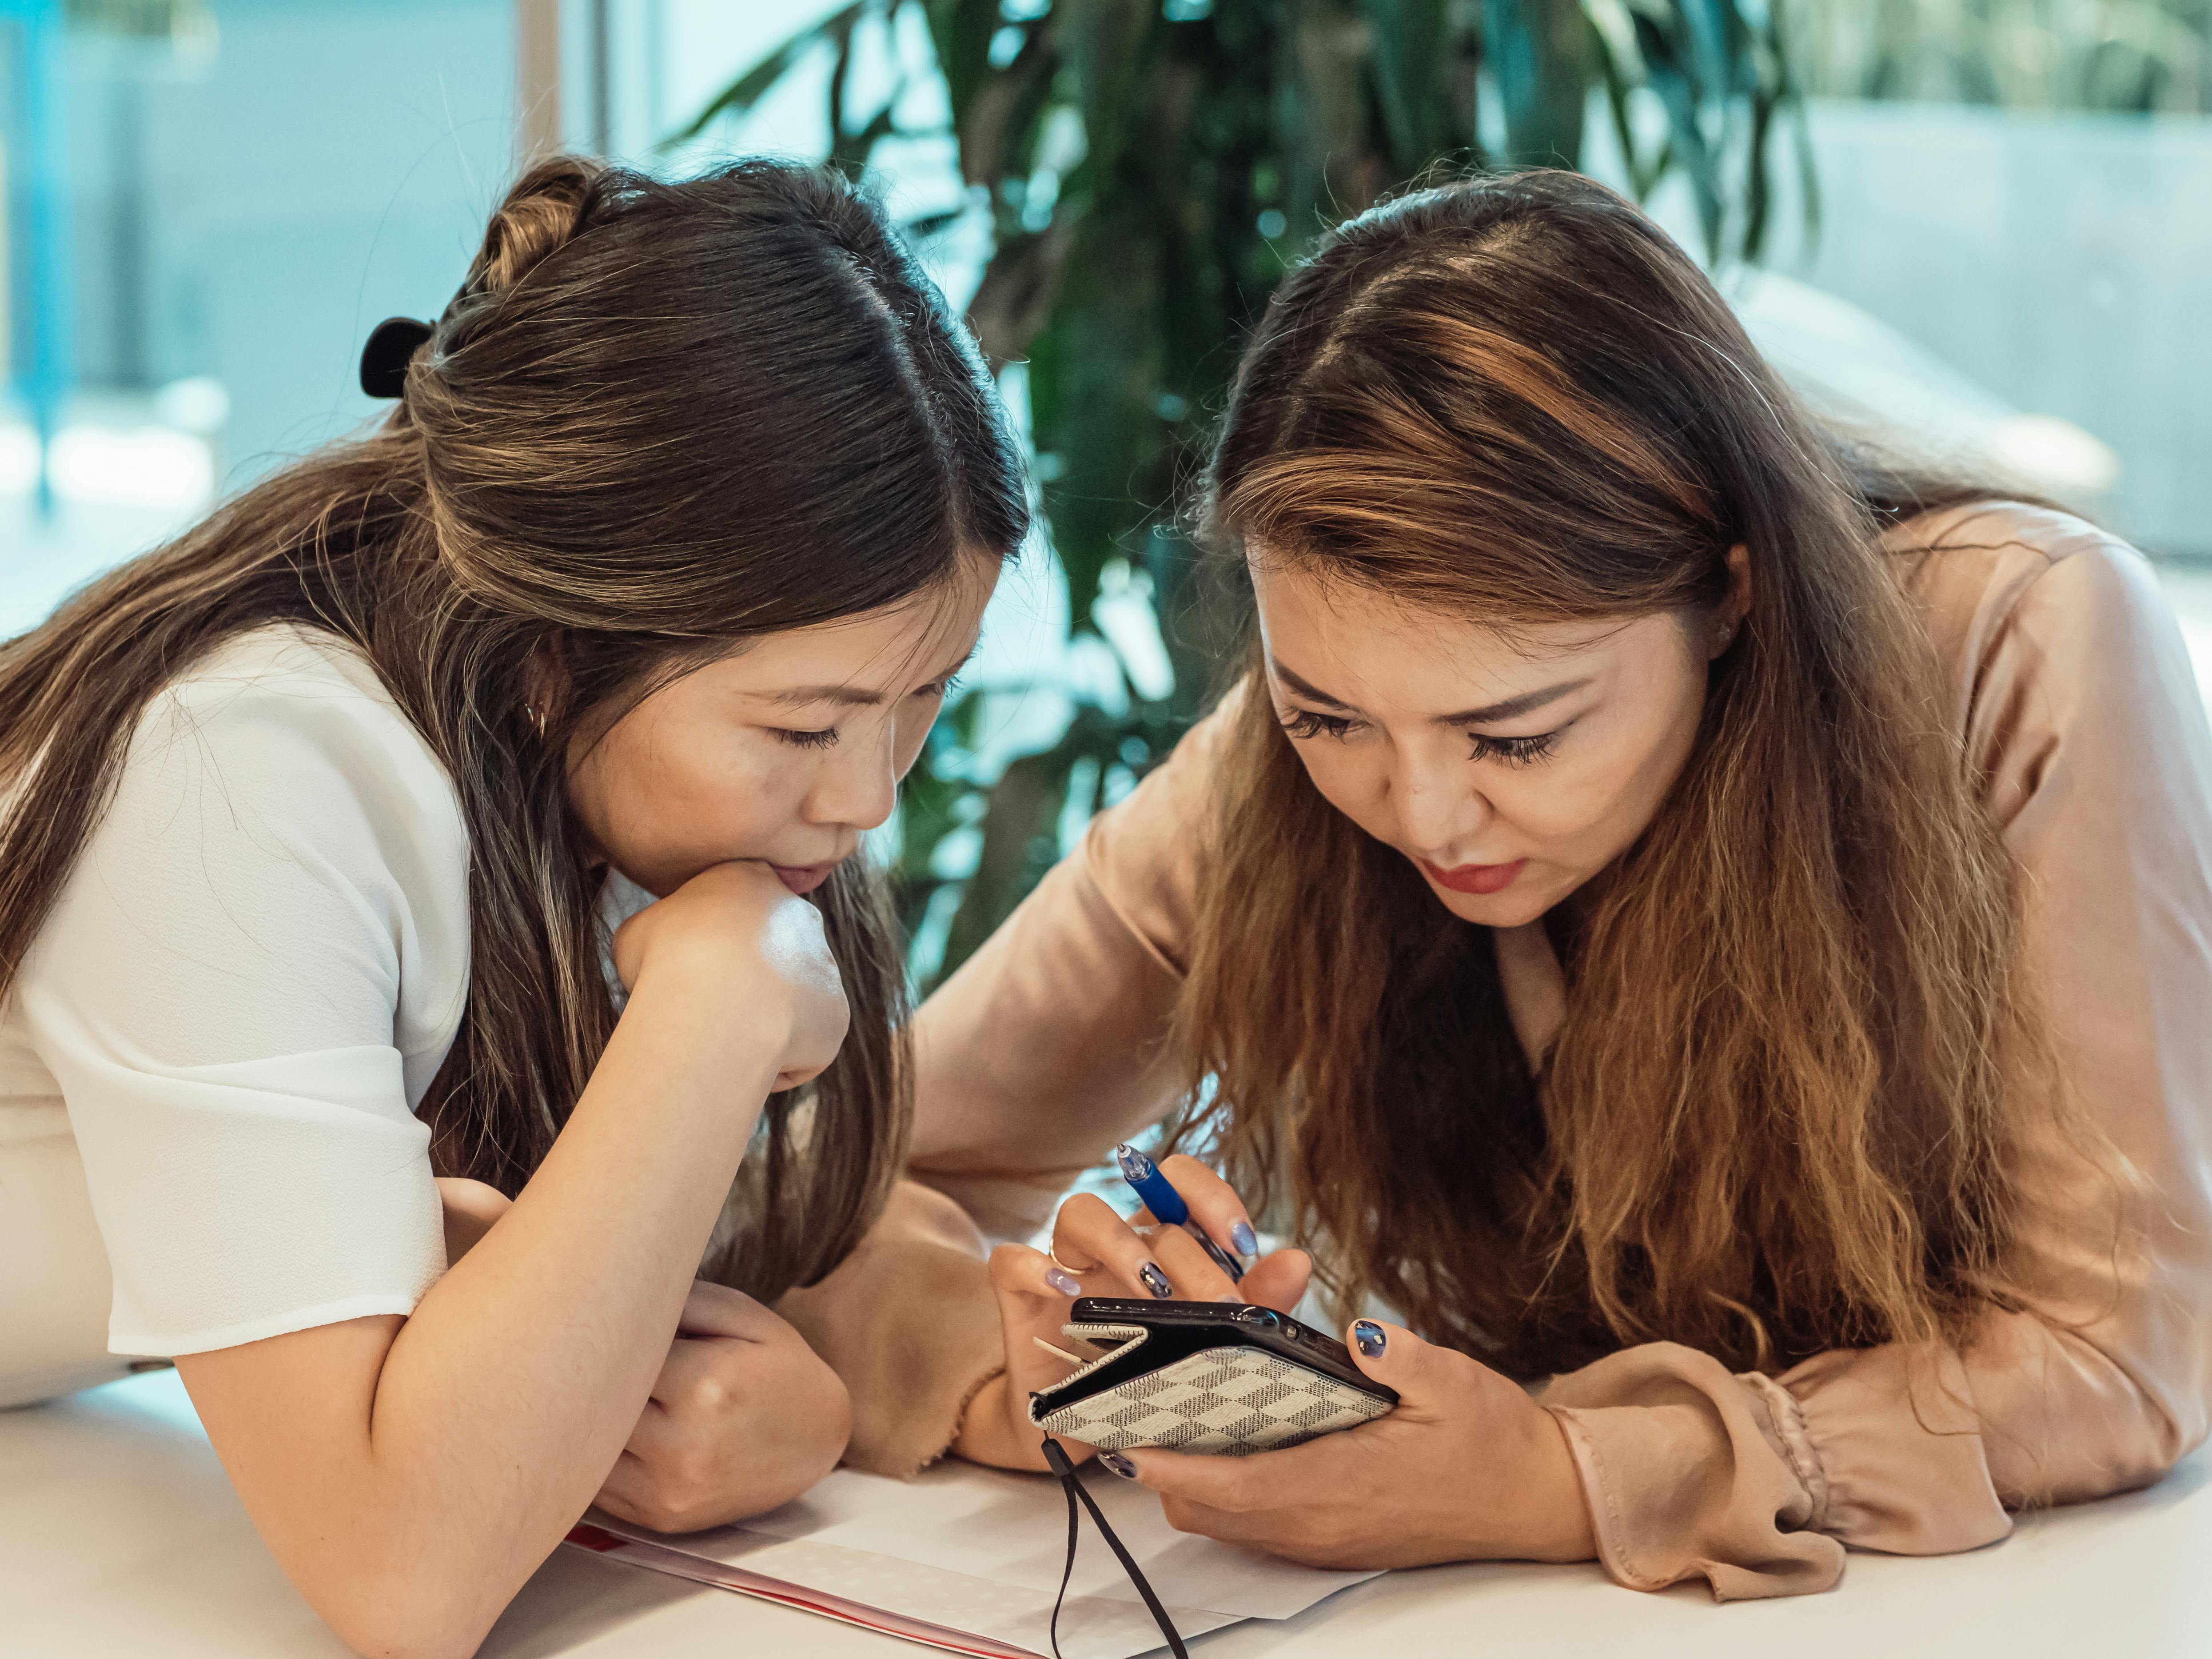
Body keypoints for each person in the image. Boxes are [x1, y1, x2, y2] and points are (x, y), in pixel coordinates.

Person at [801, 170, 2212, 1600]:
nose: (1417, 811)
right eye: (1325, 716)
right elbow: (842, 1183)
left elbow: (2112, 1355)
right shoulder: (1301, 764)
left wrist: (1561, 1474)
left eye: (1517, 735)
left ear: (1729, 593)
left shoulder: (2022, 639)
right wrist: (1048, 1354)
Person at [0, 156, 1025, 1657]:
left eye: (923, 701)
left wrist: (799, 1391)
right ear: (551, 651)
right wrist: (716, 1004)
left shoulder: (586, 773)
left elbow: (608, 1259)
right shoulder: (241, 774)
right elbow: (400, 1571)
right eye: (804, 728)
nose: (870, 795)